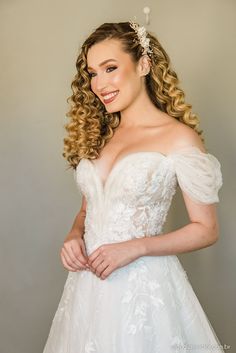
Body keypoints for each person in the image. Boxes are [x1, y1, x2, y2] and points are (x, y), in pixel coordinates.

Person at [43, 21, 224, 353]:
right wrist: (73, 235)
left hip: (144, 289)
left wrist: (136, 247)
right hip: (88, 287)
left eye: (110, 68)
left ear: (143, 64)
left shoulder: (178, 138)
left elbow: (206, 229)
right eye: (93, 73)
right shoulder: (100, 134)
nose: (99, 84)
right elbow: (88, 209)